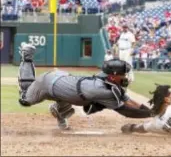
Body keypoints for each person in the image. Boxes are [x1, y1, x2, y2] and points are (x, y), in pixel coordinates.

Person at [17, 42, 152, 130]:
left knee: (67, 99)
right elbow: (126, 110)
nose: (125, 76)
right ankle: (27, 55)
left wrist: (151, 111)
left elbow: (128, 100)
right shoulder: (103, 91)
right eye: (123, 74)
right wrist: (151, 114)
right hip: (47, 83)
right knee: (25, 99)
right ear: (113, 76)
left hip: (64, 86)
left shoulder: (108, 80)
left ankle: (59, 112)